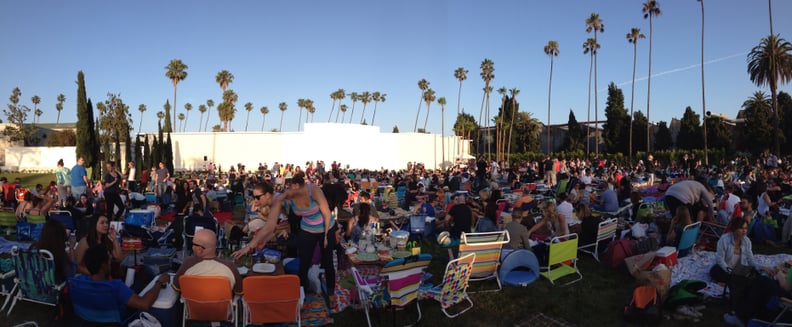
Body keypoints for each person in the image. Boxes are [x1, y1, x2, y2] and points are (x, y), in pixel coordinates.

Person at [235, 173, 336, 299]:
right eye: (253, 197)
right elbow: (270, 225)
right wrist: (250, 245)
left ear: (267, 195)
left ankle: (331, 294)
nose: (255, 200)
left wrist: (326, 236)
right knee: (304, 264)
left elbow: (326, 213)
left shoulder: (313, 190)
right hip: (307, 229)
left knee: (327, 261)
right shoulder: (281, 200)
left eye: (257, 197)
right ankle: (300, 295)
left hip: (326, 227)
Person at [72, 245, 170, 317]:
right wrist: (159, 282)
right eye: (109, 261)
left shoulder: (76, 282)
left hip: (89, 321)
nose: (111, 264)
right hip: (119, 320)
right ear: (103, 265)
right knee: (144, 275)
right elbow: (144, 304)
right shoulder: (115, 287)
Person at [172, 229, 243, 295]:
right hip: (222, 308)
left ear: (200, 249)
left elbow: (176, 287)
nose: (192, 247)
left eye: (193, 244)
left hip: (193, 308)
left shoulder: (188, 263)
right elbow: (239, 291)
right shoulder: (230, 266)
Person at [710, 217, 758, 284]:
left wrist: (758, 268)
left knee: (755, 273)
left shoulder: (747, 241)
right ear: (734, 229)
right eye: (741, 228)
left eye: (746, 228)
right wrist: (730, 271)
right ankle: (734, 281)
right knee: (716, 270)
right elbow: (720, 260)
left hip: (738, 269)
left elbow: (750, 259)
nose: (744, 231)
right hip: (725, 268)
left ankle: (731, 282)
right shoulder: (724, 239)